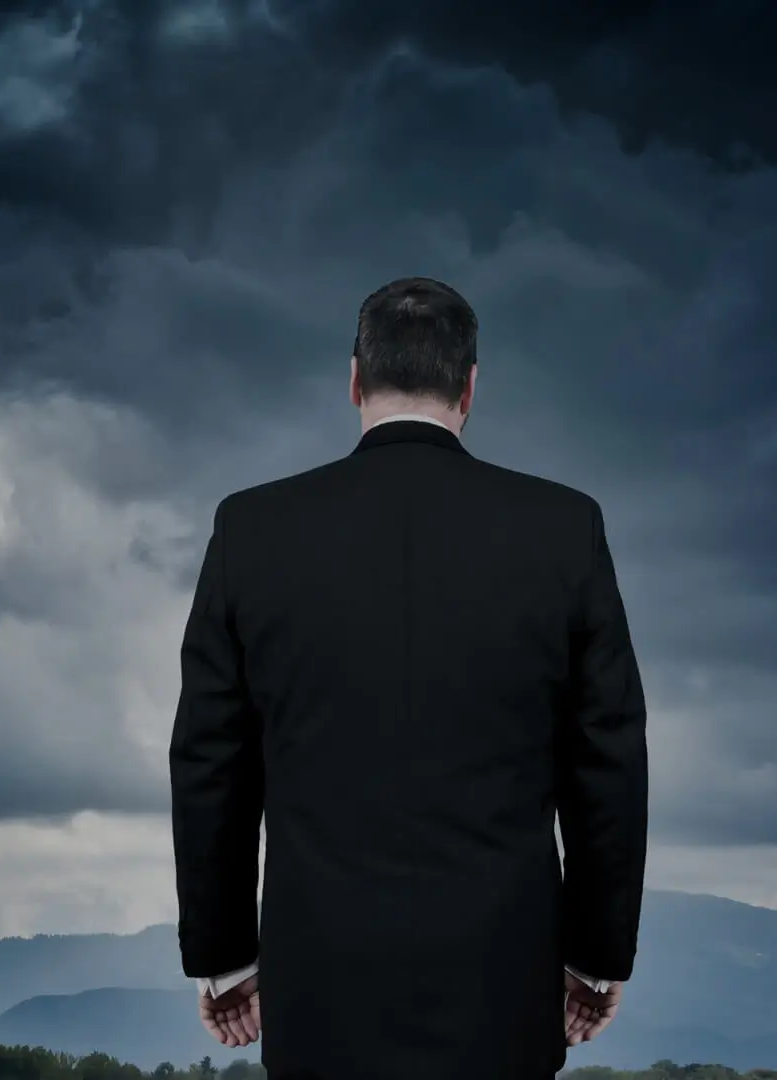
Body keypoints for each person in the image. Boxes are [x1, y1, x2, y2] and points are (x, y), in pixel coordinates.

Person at [169, 276, 649, 1080]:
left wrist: (222, 957)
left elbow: (210, 760)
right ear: (470, 388)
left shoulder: (251, 530)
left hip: (320, 982)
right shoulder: (565, 530)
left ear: (354, 380)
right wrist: (597, 956)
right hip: (504, 981)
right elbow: (607, 757)